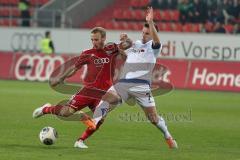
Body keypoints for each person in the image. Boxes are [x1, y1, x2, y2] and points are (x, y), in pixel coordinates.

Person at [89, 7, 178, 149]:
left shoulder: (154, 48)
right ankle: (93, 122)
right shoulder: (136, 44)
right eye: (143, 32)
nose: (144, 36)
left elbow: (156, 42)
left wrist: (151, 22)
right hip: (124, 83)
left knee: (153, 119)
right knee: (106, 99)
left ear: (153, 35)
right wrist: (124, 41)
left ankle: (168, 136)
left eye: (147, 34)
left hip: (141, 86)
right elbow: (126, 53)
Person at [33, 27, 128, 148]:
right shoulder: (87, 53)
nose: (94, 42)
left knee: (99, 121)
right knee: (66, 113)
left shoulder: (112, 48)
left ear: (103, 38)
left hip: (104, 93)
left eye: (96, 39)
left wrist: (122, 47)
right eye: (92, 40)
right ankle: (46, 109)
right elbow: (74, 68)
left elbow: (126, 55)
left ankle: (80, 141)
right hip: (88, 91)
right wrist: (61, 78)